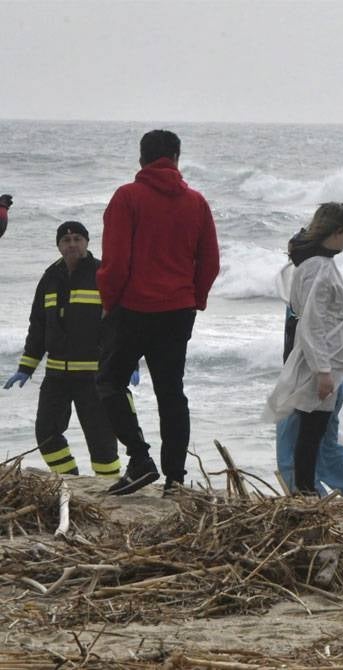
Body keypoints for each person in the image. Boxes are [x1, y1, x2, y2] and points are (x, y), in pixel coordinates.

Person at [96, 130, 220, 496]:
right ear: (177, 158)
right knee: (171, 393)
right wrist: (193, 298)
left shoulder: (127, 197)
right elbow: (210, 262)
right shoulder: (196, 203)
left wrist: (109, 303)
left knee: (108, 382)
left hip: (133, 309)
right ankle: (176, 480)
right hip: (177, 311)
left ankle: (139, 458)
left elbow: (116, 262)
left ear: (141, 159)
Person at [271, 211, 343, 498]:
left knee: (314, 432)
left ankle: (307, 491)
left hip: (326, 359)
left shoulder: (314, 265)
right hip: (322, 363)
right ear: (335, 232)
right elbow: (312, 321)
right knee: (312, 433)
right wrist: (322, 372)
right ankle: (307, 491)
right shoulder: (319, 268)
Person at [4, 222, 122, 478]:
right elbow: (38, 325)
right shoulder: (50, 277)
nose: (72, 244)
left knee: (101, 439)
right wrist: (27, 367)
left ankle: (109, 487)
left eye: (77, 239)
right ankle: (70, 480)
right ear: (58, 245)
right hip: (56, 376)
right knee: (46, 434)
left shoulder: (103, 273)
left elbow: (120, 323)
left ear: (87, 243)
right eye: (66, 240)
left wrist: (128, 361)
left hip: (95, 376)